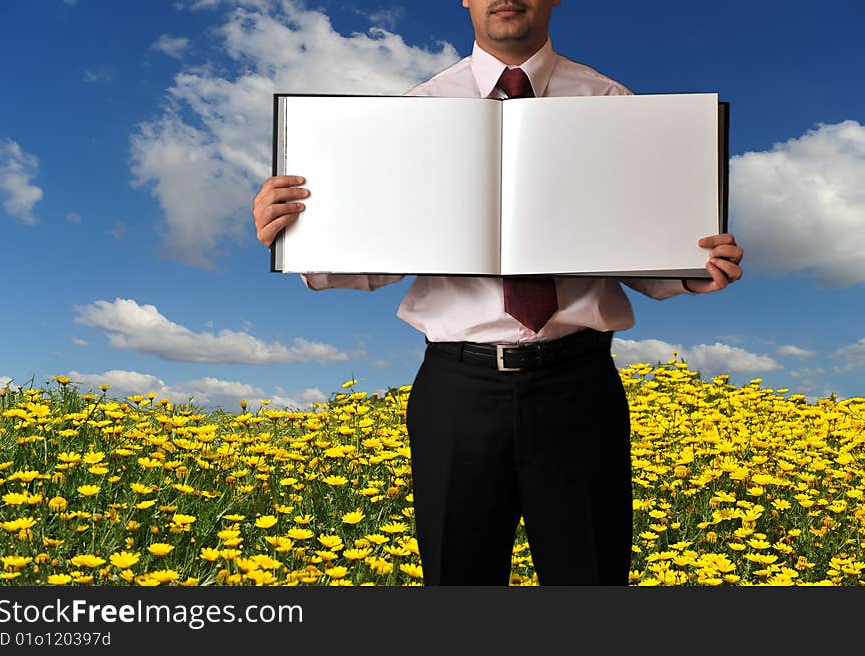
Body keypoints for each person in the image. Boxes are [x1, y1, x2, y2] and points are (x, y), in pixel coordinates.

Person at [252, 0, 744, 586]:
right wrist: (294, 234)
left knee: (589, 578)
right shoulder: (416, 113)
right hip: (457, 392)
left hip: (580, 387)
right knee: (458, 581)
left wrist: (691, 269)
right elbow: (373, 252)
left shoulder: (613, 106)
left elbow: (638, 248)